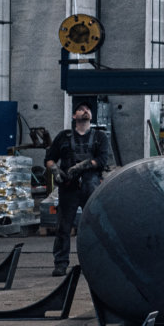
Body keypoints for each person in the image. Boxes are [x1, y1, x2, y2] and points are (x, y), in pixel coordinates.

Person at [45, 106, 111, 275]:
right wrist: (55, 170)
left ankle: (98, 263)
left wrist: (84, 165)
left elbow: (103, 160)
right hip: (69, 187)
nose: (85, 111)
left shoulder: (99, 137)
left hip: (91, 186)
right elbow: (49, 159)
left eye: (88, 109)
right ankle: (60, 263)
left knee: (96, 227)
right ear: (74, 116)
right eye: (81, 109)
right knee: (63, 227)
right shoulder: (63, 137)